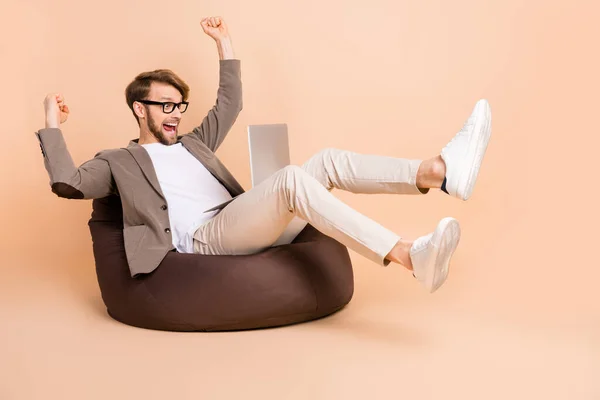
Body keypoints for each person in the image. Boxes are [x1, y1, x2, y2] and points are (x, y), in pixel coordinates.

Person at [36, 16, 491, 294]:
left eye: (180, 105)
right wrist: (51, 123)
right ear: (140, 109)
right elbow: (69, 183)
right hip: (204, 240)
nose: (175, 113)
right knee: (293, 179)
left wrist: (224, 43)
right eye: (165, 105)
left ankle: (439, 172)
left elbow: (228, 105)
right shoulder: (119, 160)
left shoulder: (193, 142)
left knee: (327, 159)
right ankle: (410, 256)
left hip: (238, 217)